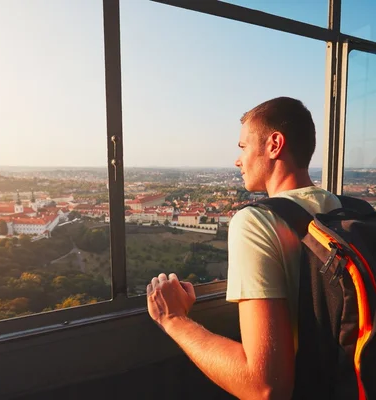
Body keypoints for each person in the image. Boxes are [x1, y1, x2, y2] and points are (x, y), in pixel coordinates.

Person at [146, 97, 341, 399]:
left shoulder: (257, 221)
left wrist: (173, 319)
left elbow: (264, 387)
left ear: (274, 144)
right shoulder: (343, 208)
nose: (238, 160)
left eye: (242, 147)